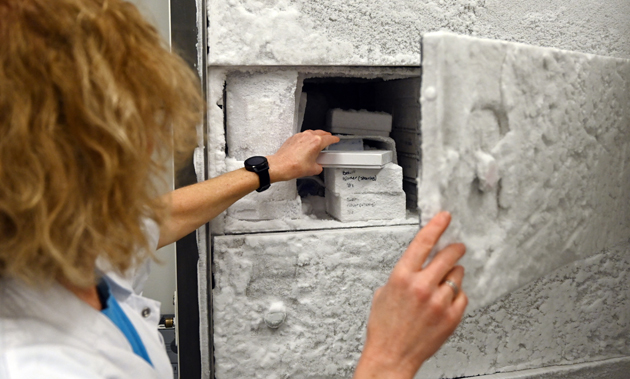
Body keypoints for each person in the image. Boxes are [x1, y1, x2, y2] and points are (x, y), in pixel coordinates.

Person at [0, 0, 467, 378]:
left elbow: (156, 218)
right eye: (134, 121)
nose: (150, 142)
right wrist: (389, 359)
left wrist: (267, 170)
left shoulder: (56, 252)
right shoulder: (42, 364)